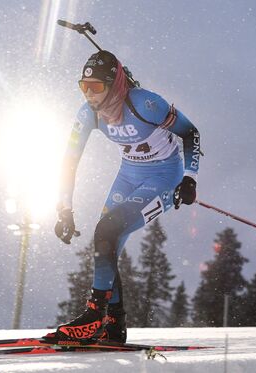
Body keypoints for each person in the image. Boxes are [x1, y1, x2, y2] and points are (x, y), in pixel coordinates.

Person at [50, 50, 201, 343]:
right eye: (84, 87)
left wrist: (189, 179)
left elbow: (190, 133)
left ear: (114, 84)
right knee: (107, 243)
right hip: (129, 174)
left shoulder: (146, 103)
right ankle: (114, 325)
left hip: (163, 178)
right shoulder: (88, 113)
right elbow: (70, 160)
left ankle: (94, 317)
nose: (89, 95)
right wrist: (64, 208)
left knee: (106, 230)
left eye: (96, 87)